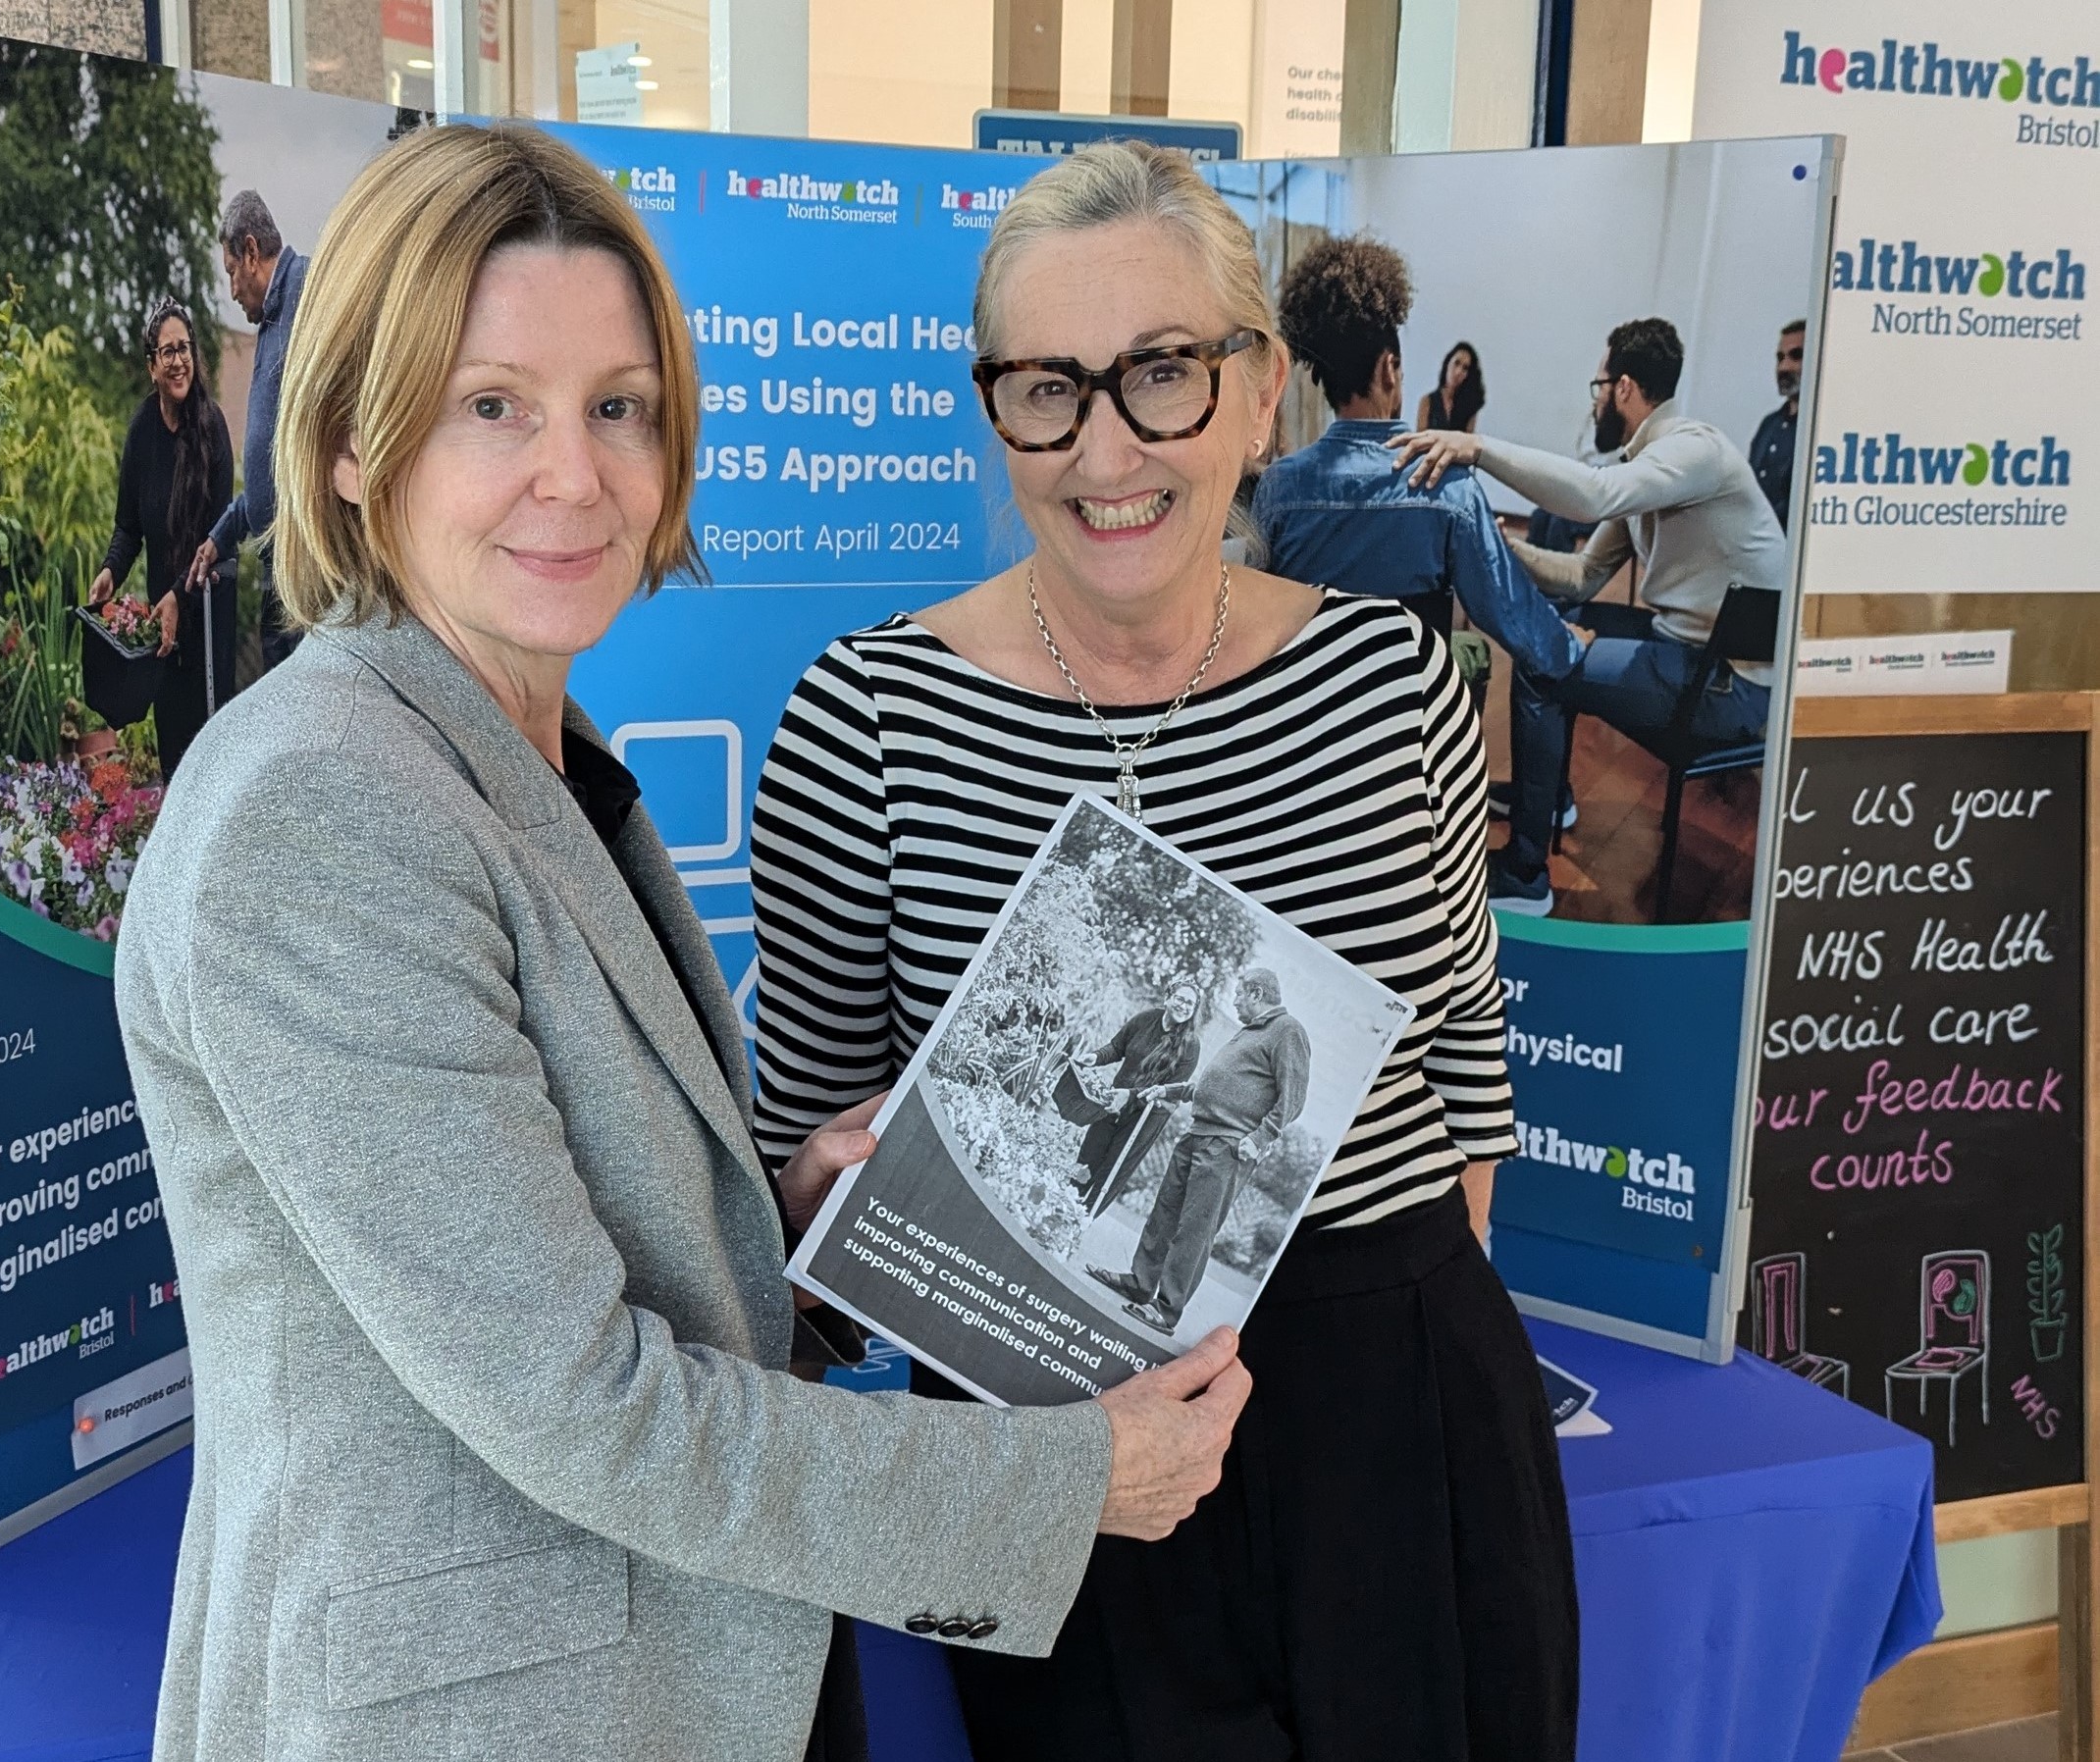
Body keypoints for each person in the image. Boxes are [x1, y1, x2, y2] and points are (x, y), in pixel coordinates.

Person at [113, 124, 1251, 1762]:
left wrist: (792, 1236)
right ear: (354, 437)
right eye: (491, 404)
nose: (574, 472)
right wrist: (1074, 1483)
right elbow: (582, 1403)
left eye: (617, 408)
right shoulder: (323, 814)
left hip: (671, 1666)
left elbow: (542, 1259)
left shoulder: (515, 755)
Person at [752, 140, 1577, 1762]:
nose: (1104, 447)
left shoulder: (1386, 678)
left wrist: (1407, 1320)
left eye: (1162, 374)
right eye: (1046, 388)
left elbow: (1460, 1044)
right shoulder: (868, 722)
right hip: (1064, 1438)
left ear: (1259, 389)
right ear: (993, 407)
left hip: (1393, 1409)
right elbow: (807, 1154)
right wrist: (825, 1198)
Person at [1395, 317, 1784, 916]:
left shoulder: (1694, 451)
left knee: (1541, 662)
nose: (1597, 399)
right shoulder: (1651, 462)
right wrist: (1499, 544)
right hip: (1688, 650)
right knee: (1560, 625)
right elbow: (1580, 575)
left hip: (1729, 684)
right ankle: (1551, 799)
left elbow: (1595, 493)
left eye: (1599, 386)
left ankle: (1525, 874)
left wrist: (1480, 448)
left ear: (1624, 388)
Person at [1249, 235, 1579, 681]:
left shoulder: (1279, 488)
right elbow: (1510, 615)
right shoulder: (1447, 484)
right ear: (1389, 369)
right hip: (1411, 709)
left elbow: (1254, 609)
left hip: (1311, 708)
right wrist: (1570, 645)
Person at [1087, 967, 1309, 1336]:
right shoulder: (1250, 1032)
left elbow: (1294, 1099)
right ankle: (1141, 1283)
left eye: (1239, 993)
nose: (1234, 999)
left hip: (1228, 1145)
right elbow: (1214, 1086)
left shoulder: (1288, 1032)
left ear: (1257, 992)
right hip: (1198, 1133)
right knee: (1165, 1213)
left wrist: (1261, 1137)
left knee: (1195, 1229)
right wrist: (1171, 1091)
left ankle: (1167, 1309)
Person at [88, 300, 236, 780]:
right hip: (163, 632)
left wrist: (179, 594)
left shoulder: (213, 430)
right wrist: (111, 569)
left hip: (206, 621)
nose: (179, 361)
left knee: (210, 761)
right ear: (151, 365)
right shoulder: (142, 430)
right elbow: (129, 526)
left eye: (185, 349)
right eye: (167, 351)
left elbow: (220, 538)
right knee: (173, 759)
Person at [187, 190, 308, 672]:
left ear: (252, 253)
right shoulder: (273, 319)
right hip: (278, 557)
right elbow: (270, 468)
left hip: (305, 560)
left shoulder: (307, 295)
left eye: (232, 273)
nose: (233, 290)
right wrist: (224, 532)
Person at [1066, 980, 1202, 1215]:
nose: (1183, 1006)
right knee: (1088, 1157)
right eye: (1180, 998)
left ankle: (1079, 1223)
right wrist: (1096, 1058)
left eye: (1190, 1003)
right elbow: (1117, 1047)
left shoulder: (1190, 1046)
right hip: (1112, 1103)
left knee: (1109, 1175)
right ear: (1168, 998)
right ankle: (1062, 1205)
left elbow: (1167, 1090)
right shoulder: (1146, 1019)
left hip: (1145, 1118)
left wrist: (1129, 1096)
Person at [1748, 319, 1805, 529]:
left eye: (1796, 356)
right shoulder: (1769, 425)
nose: (1784, 367)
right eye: (1780, 358)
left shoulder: (1819, 429)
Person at [1416, 339, 1485, 434]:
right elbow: (1419, 442)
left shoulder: (1469, 407)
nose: (1458, 372)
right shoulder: (1427, 401)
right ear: (1448, 363)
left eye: (1465, 368)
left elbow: (1467, 444)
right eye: (1456, 363)